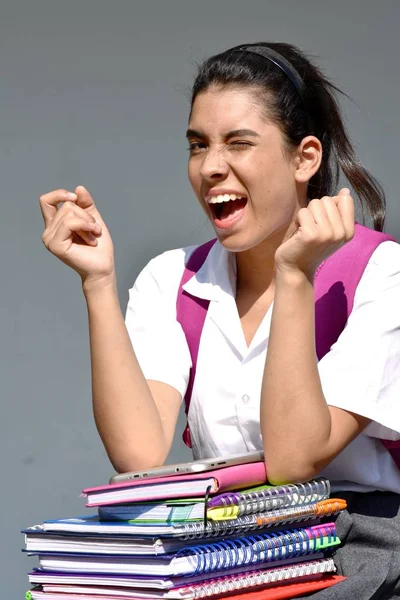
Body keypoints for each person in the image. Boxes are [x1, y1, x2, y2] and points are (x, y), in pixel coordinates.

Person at [40, 43, 399, 598]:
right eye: (197, 145)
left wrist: (295, 277)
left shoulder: (380, 272)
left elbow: (294, 460)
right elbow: (137, 456)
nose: (210, 166)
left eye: (238, 143)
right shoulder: (171, 278)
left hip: (350, 551)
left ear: (304, 159)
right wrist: (98, 283)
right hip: (223, 550)